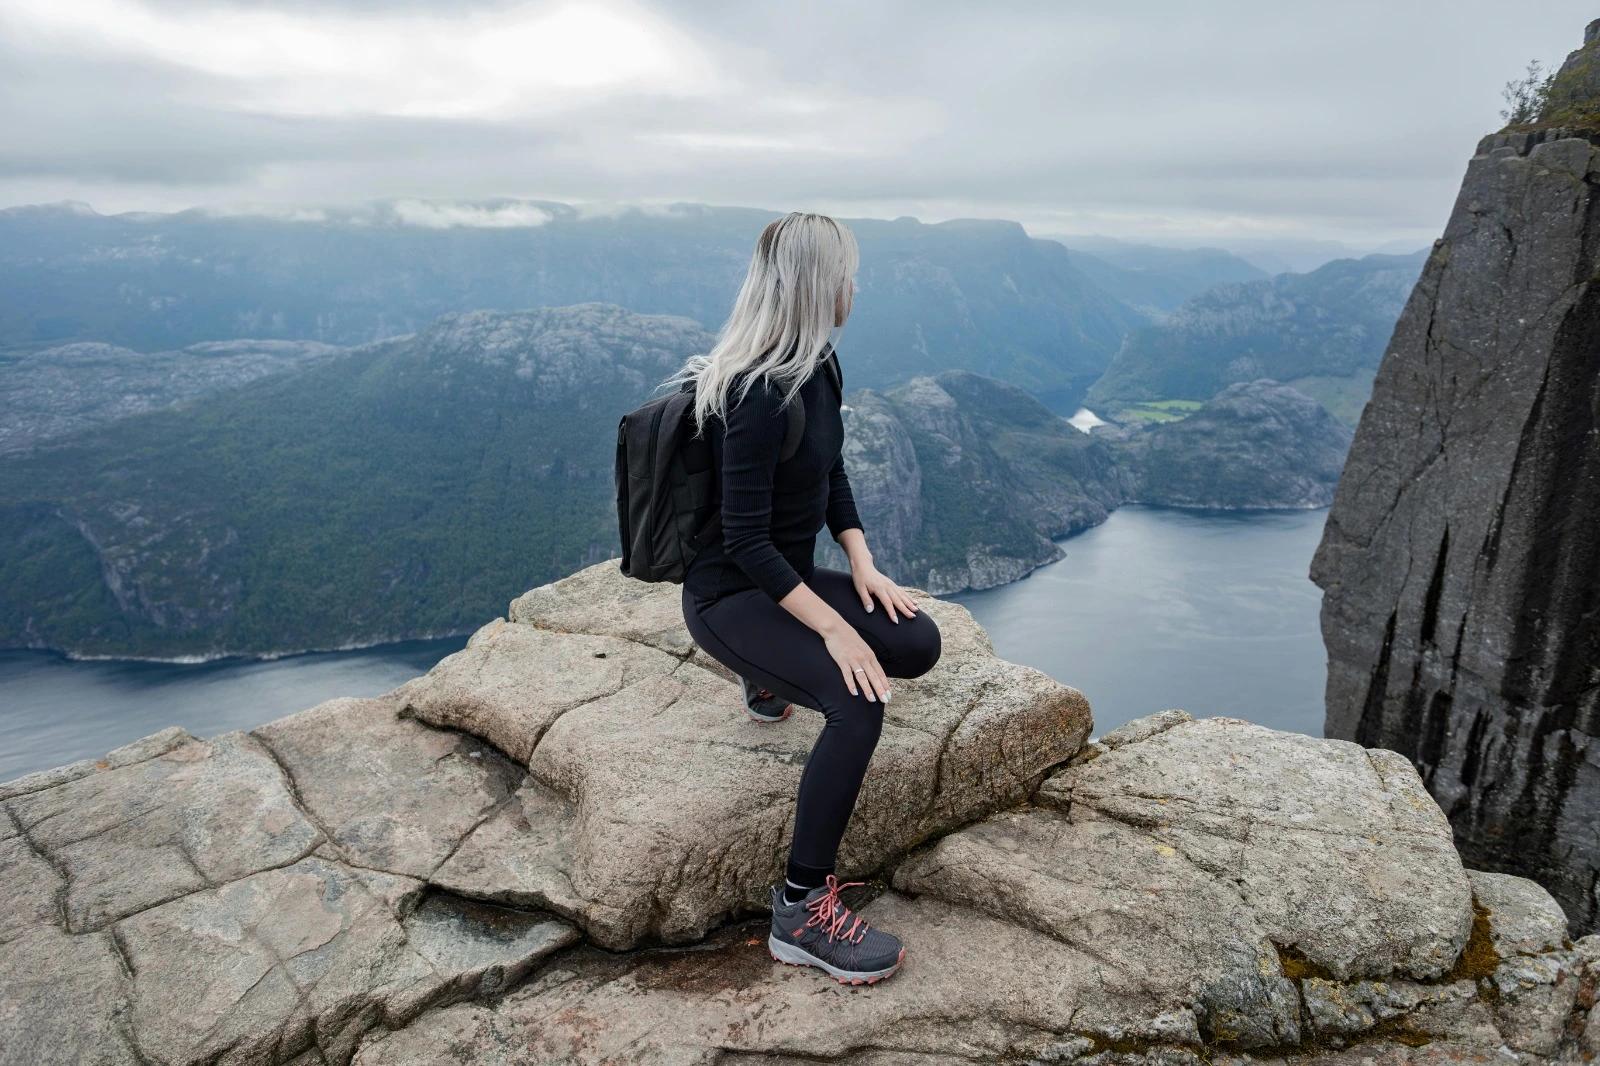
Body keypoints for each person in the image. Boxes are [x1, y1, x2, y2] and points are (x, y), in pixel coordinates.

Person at [663, 211, 942, 985]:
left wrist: (863, 564)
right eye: (849, 274)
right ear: (820, 284)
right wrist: (834, 632)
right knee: (860, 701)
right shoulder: (756, 392)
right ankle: (800, 909)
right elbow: (745, 541)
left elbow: (830, 471)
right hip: (730, 596)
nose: (857, 286)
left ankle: (771, 675)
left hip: (784, 583)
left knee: (916, 642)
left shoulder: (819, 364)